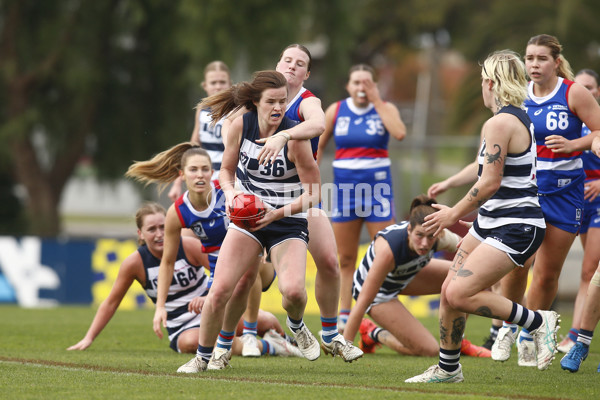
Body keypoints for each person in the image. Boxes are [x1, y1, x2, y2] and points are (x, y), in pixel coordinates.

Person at [176, 70, 360, 373]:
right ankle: (203, 357)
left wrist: (276, 213)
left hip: (287, 219)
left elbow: (314, 194)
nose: (278, 108)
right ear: (255, 102)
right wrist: (234, 193)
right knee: (221, 289)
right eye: (271, 102)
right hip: (247, 220)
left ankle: (296, 325)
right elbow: (225, 170)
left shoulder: (295, 138)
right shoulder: (240, 125)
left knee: (295, 293)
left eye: (282, 102)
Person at [405, 50, 557, 384]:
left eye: (482, 81)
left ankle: (536, 323)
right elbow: (483, 169)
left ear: (490, 82)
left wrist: (453, 215)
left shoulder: (500, 122)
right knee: (449, 292)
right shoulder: (511, 117)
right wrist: (449, 185)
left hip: (515, 224)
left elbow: (490, 181)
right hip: (491, 222)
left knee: (460, 293)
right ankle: (448, 369)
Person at [227, 44, 361, 360]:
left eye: (299, 63)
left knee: (329, 261)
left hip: (298, 196)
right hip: (257, 195)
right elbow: (233, 136)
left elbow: (318, 125)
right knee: (246, 275)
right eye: (287, 60)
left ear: (306, 73)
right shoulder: (260, 99)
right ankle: (231, 342)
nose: (292, 66)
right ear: (277, 64)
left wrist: (284, 136)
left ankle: (330, 335)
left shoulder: (306, 102)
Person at [126, 145, 303, 360]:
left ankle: (251, 335)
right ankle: (273, 343)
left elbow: (260, 212)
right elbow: (167, 262)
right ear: (182, 175)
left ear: (212, 172)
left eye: (204, 169)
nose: (199, 175)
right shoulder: (178, 211)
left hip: (257, 263)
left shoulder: (228, 191)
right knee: (236, 310)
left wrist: (263, 244)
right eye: (193, 170)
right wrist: (160, 306)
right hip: (224, 273)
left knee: (249, 268)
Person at [492, 35, 600, 367]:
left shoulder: (573, 92)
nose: (534, 64)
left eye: (541, 58)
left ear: (556, 61)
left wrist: (576, 145)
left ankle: (528, 333)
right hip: (528, 192)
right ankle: (508, 328)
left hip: (567, 195)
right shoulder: (518, 95)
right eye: (529, 58)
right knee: (518, 263)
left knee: (547, 273)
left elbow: (598, 132)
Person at [67, 202, 297, 357]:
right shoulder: (134, 263)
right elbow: (110, 302)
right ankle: (274, 347)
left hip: (211, 310)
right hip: (181, 325)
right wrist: (89, 338)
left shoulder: (187, 246)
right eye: (151, 229)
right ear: (140, 234)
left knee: (265, 321)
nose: (158, 234)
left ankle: (292, 342)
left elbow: (225, 272)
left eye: (162, 227)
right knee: (194, 344)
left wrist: (207, 296)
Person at [342, 195, 490, 357]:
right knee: (430, 350)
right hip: (378, 292)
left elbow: (474, 254)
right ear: (409, 230)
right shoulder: (388, 251)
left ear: (439, 233)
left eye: (430, 237)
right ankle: (374, 333)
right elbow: (362, 302)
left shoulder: (440, 235)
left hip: (406, 276)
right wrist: (345, 345)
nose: (425, 243)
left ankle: (457, 340)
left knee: (468, 275)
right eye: (419, 235)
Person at [317, 64, 406, 327]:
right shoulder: (336, 110)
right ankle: (344, 314)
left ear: (375, 86)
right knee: (344, 257)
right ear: (348, 86)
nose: (361, 88)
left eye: (367, 83)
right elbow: (317, 144)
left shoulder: (385, 108)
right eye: (356, 82)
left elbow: (399, 133)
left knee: (384, 254)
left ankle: (378, 312)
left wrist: (377, 100)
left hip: (377, 191)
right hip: (344, 190)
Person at [557, 69, 600, 353]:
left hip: (597, 203)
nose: (587, 91)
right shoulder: (565, 118)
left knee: (589, 270)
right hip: (571, 198)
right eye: (582, 87)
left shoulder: (596, 123)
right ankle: (518, 330)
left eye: (591, 87)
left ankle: (576, 335)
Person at [168, 61, 232, 201]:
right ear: (205, 86)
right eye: (213, 83)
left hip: (228, 174)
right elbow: (194, 145)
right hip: (205, 172)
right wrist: (178, 182)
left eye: (222, 82)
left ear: (230, 84)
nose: (218, 87)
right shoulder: (202, 108)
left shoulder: (237, 109)